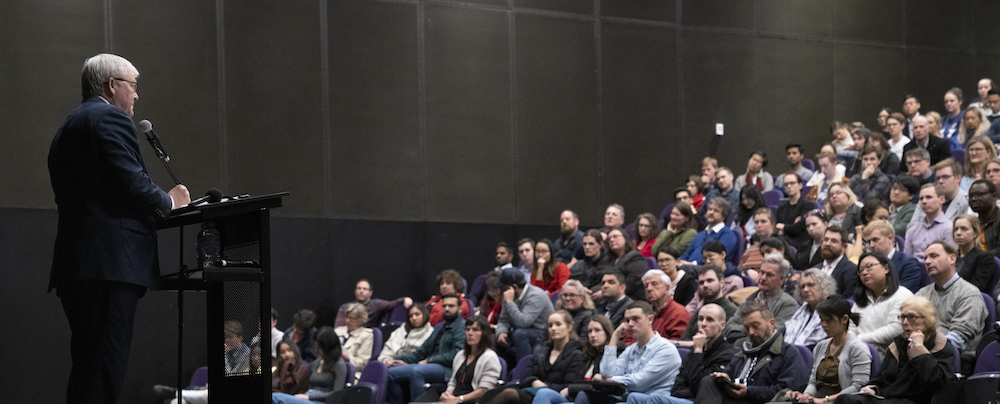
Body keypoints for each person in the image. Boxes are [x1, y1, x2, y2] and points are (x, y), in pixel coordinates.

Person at [48, 53, 192, 404]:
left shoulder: (67, 127)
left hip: (79, 265)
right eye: (133, 86)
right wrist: (170, 201)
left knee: (87, 367)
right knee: (104, 369)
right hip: (110, 266)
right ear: (112, 85)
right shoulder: (109, 118)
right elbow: (131, 183)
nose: (136, 95)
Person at [835, 296, 957, 404]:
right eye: (902, 317)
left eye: (911, 317)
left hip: (915, 400)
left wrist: (920, 351)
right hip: (889, 398)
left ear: (928, 320)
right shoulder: (899, 343)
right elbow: (883, 377)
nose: (905, 322)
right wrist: (873, 387)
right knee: (845, 399)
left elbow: (937, 384)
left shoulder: (941, 346)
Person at [698, 303, 809, 404]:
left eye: (755, 326)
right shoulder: (743, 352)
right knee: (709, 381)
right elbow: (729, 374)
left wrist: (749, 392)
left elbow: (786, 392)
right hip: (733, 399)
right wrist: (724, 376)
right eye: (747, 328)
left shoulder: (788, 354)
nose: (750, 332)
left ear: (771, 323)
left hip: (758, 401)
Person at [580, 301, 684, 404]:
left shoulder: (666, 349)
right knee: (584, 396)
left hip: (650, 400)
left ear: (650, 319)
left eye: (635, 319)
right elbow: (607, 373)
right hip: (627, 399)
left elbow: (639, 383)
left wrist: (608, 380)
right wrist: (615, 336)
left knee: (632, 397)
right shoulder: (631, 349)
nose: (630, 324)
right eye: (627, 320)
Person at [784, 296, 871, 404]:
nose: (824, 325)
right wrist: (806, 395)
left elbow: (858, 387)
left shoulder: (858, 348)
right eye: (821, 320)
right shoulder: (821, 346)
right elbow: (813, 381)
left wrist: (824, 400)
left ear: (844, 319)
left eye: (829, 320)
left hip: (841, 401)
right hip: (818, 398)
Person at [482, 311, 583, 404]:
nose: (553, 328)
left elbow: (569, 387)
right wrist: (534, 381)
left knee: (510, 394)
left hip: (558, 396)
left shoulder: (576, 354)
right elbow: (525, 377)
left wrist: (544, 385)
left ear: (569, 327)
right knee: (497, 393)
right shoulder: (543, 351)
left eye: (558, 324)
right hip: (535, 393)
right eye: (550, 325)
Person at [916, 242, 988, 368]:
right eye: (925, 257)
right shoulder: (922, 293)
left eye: (934, 256)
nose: (927, 261)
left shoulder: (969, 294)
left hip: (954, 362)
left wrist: (921, 349)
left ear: (952, 258)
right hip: (921, 356)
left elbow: (958, 340)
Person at [386, 294, 466, 404]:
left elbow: (456, 354)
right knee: (390, 373)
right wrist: (402, 360)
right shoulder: (439, 326)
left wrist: (430, 360)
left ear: (460, 309)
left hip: (448, 369)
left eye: (451, 306)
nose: (447, 309)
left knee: (417, 371)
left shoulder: (462, 327)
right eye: (444, 306)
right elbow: (422, 351)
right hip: (430, 365)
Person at [414, 316, 502, 404]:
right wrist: (447, 394)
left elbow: (484, 391)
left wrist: (459, 399)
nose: (470, 333)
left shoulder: (490, 357)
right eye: (468, 329)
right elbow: (453, 382)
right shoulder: (461, 355)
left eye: (475, 330)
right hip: (454, 399)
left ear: (484, 333)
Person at [850, 251, 914, 356]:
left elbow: (896, 329)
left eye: (869, 266)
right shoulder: (861, 299)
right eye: (860, 270)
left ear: (886, 268)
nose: (864, 272)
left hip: (889, 354)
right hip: (858, 350)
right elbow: (851, 327)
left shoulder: (902, 295)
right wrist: (852, 341)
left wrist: (859, 339)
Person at [723, 254, 798, 342]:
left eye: (769, 275)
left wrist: (745, 329)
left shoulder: (789, 304)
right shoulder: (749, 301)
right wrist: (756, 328)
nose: (762, 278)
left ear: (782, 280)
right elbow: (728, 330)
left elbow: (772, 333)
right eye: (761, 272)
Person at [670, 304, 736, 400]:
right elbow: (676, 388)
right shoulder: (695, 350)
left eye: (709, 320)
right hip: (682, 399)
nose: (703, 324)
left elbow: (701, 388)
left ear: (722, 326)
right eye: (700, 319)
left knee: (652, 400)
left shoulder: (726, 353)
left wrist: (698, 352)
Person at [271, 327, 348, 404]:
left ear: (327, 347)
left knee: (275, 397)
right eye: (316, 347)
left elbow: (337, 393)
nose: (316, 350)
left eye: (319, 348)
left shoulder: (339, 364)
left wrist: (309, 397)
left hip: (322, 401)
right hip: (308, 397)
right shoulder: (318, 361)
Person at [496, 267, 555, 361]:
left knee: (520, 334)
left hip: (541, 331)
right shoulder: (508, 296)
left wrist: (510, 303)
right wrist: (501, 332)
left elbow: (523, 322)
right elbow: (503, 320)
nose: (501, 291)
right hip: (522, 330)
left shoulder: (536, 295)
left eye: (503, 287)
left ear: (514, 287)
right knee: (492, 338)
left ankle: (524, 369)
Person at [860, 220, 925, 293]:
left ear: (890, 239)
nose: (871, 245)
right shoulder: (866, 266)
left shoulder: (908, 263)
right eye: (868, 242)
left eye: (875, 240)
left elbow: (905, 294)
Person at [783, 269, 838, 348]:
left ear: (824, 286)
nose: (805, 290)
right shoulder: (800, 313)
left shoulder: (833, 311)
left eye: (810, 285)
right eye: (802, 287)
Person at [908, 159, 970, 227]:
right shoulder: (924, 200)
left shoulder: (967, 201)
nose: (940, 181)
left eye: (945, 177)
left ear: (958, 178)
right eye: (938, 178)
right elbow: (911, 227)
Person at [681, 265, 739, 339]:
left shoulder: (731, 310)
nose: (705, 285)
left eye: (710, 281)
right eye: (701, 282)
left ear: (721, 283)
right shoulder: (700, 311)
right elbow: (685, 338)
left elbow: (724, 342)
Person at [634, 269, 690, 341]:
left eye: (654, 284)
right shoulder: (643, 311)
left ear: (667, 288)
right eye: (646, 286)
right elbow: (631, 337)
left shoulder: (679, 313)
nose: (649, 288)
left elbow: (678, 344)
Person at [904, 184, 955, 263]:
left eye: (929, 197)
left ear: (941, 199)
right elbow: (906, 260)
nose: (924, 201)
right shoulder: (912, 230)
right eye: (921, 198)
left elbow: (949, 260)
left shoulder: (949, 228)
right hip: (914, 271)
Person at [680, 198, 738, 265]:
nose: (711, 212)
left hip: (709, 270)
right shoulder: (700, 234)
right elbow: (686, 254)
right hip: (689, 268)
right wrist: (680, 262)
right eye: (710, 209)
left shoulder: (727, 234)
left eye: (716, 211)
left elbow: (717, 258)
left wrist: (692, 264)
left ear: (723, 216)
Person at [952, 214, 1000, 294]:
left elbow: (976, 288)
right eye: (955, 229)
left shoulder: (984, 258)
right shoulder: (951, 257)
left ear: (976, 233)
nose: (958, 233)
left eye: (964, 229)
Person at [336, 279, 412, 328]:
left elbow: (391, 304)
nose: (361, 291)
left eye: (364, 289)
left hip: (367, 337)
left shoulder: (377, 305)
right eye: (359, 288)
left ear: (370, 293)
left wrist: (404, 299)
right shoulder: (345, 307)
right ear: (355, 291)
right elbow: (338, 327)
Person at [605, 227, 650, 301]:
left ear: (625, 239)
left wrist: (610, 291)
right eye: (609, 239)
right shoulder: (610, 259)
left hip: (632, 299)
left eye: (615, 236)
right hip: (614, 298)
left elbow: (633, 283)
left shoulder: (635, 257)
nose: (612, 240)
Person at [815, 226, 859, 298]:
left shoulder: (852, 270)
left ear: (844, 247)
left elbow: (848, 299)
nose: (828, 244)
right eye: (826, 240)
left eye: (834, 241)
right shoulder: (815, 269)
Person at [775, 172, 814, 252]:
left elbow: (798, 228)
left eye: (792, 183)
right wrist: (791, 227)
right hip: (783, 244)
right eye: (786, 184)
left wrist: (784, 227)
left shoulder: (807, 206)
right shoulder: (782, 208)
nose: (789, 186)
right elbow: (776, 227)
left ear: (800, 185)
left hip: (801, 246)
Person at [335, 302, 375, 379]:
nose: (347, 321)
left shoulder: (366, 335)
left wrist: (347, 358)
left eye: (351, 318)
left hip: (351, 372)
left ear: (360, 319)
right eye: (347, 317)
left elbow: (362, 363)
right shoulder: (337, 332)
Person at [737, 209, 777, 276]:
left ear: (772, 224)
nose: (759, 225)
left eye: (763, 221)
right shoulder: (750, 250)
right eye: (756, 222)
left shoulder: (780, 248)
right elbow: (740, 271)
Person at [968, 179, 1000, 257]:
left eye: (979, 195)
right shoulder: (972, 223)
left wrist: (979, 259)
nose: (974, 199)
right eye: (971, 196)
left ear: (993, 196)